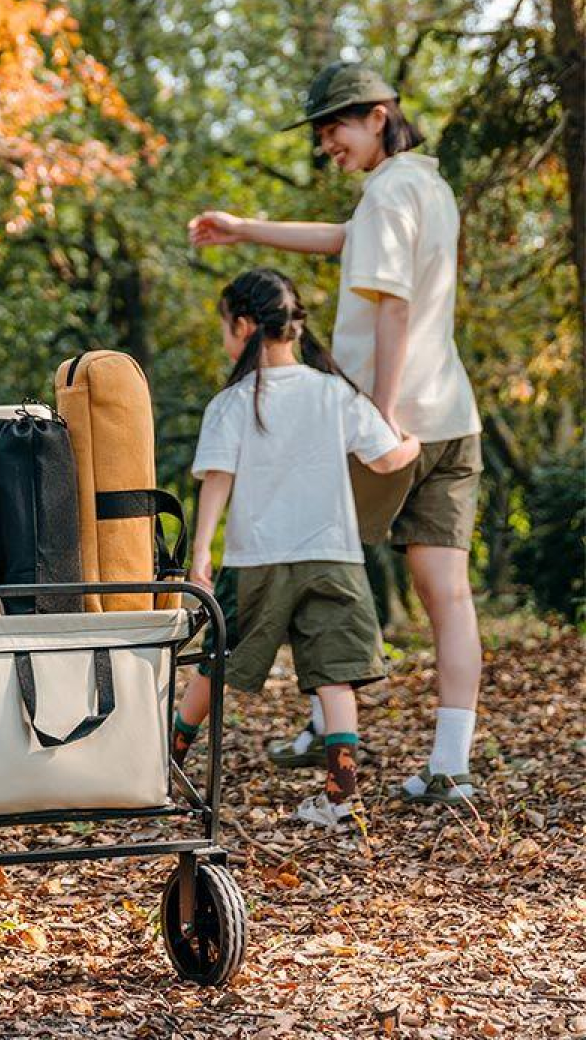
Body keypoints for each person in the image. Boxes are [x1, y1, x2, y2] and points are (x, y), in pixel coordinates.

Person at [189, 62, 483, 806]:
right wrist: (244, 228)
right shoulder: (426, 185)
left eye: (334, 129)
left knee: (313, 562)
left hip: (388, 427)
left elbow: (393, 307)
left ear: (378, 116)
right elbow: (343, 239)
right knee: (448, 596)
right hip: (452, 417)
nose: (327, 146)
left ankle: (327, 728)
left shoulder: (387, 192)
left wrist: (379, 410)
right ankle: (449, 764)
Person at [172, 269, 419, 829]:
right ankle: (341, 799)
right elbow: (386, 459)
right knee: (335, 675)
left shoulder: (232, 403)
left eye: (224, 325)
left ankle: (167, 762)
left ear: (243, 325)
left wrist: (202, 553)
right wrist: (413, 443)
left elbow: (217, 481)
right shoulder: (335, 393)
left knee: (217, 662)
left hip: (255, 559)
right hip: (333, 557)